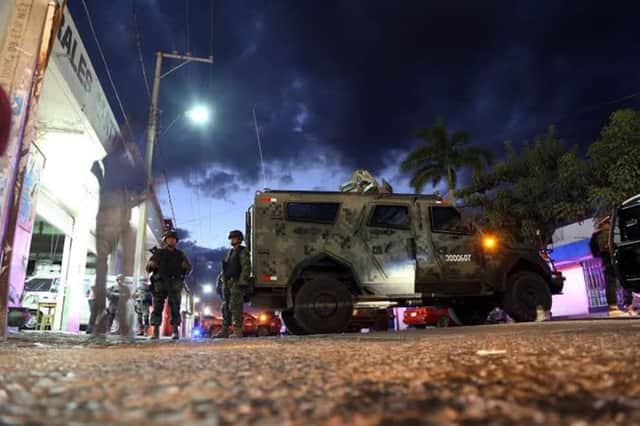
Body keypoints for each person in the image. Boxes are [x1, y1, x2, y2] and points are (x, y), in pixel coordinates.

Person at [146, 230, 191, 340]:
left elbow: (189, 268)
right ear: (165, 240)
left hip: (174, 282)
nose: (171, 240)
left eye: (173, 239)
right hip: (160, 282)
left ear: (176, 241)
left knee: (175, 307)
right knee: (157, 307)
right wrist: (152, 265)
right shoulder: (158, 253)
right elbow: (148, 268)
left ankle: (175, 331)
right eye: (169, 238)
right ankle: (155, 331)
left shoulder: (180, 254)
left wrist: (186, 267)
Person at [589, 216, 634, 317]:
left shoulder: (595, 236)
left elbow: (594, 253)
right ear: (603, 224)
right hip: (614, 259)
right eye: (608, 223)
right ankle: (626, 307)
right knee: (622, 282)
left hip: (607, 260)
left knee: (613, 282)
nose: (609, 225)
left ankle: (617, 307)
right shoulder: (607, 234)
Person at [215, 230, 251, 338]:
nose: (233, 240)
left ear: (240, 239)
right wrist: (219, 282)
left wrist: (243, 281)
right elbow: (225, 270)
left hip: (236, 282)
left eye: (235, 238)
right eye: (231, 238)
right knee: (225, 307)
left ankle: (238, 330)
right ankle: (225, 329)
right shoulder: (230, 253)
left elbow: (246, 267)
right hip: (228, 283)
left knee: (235, 306)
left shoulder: (243, 251)